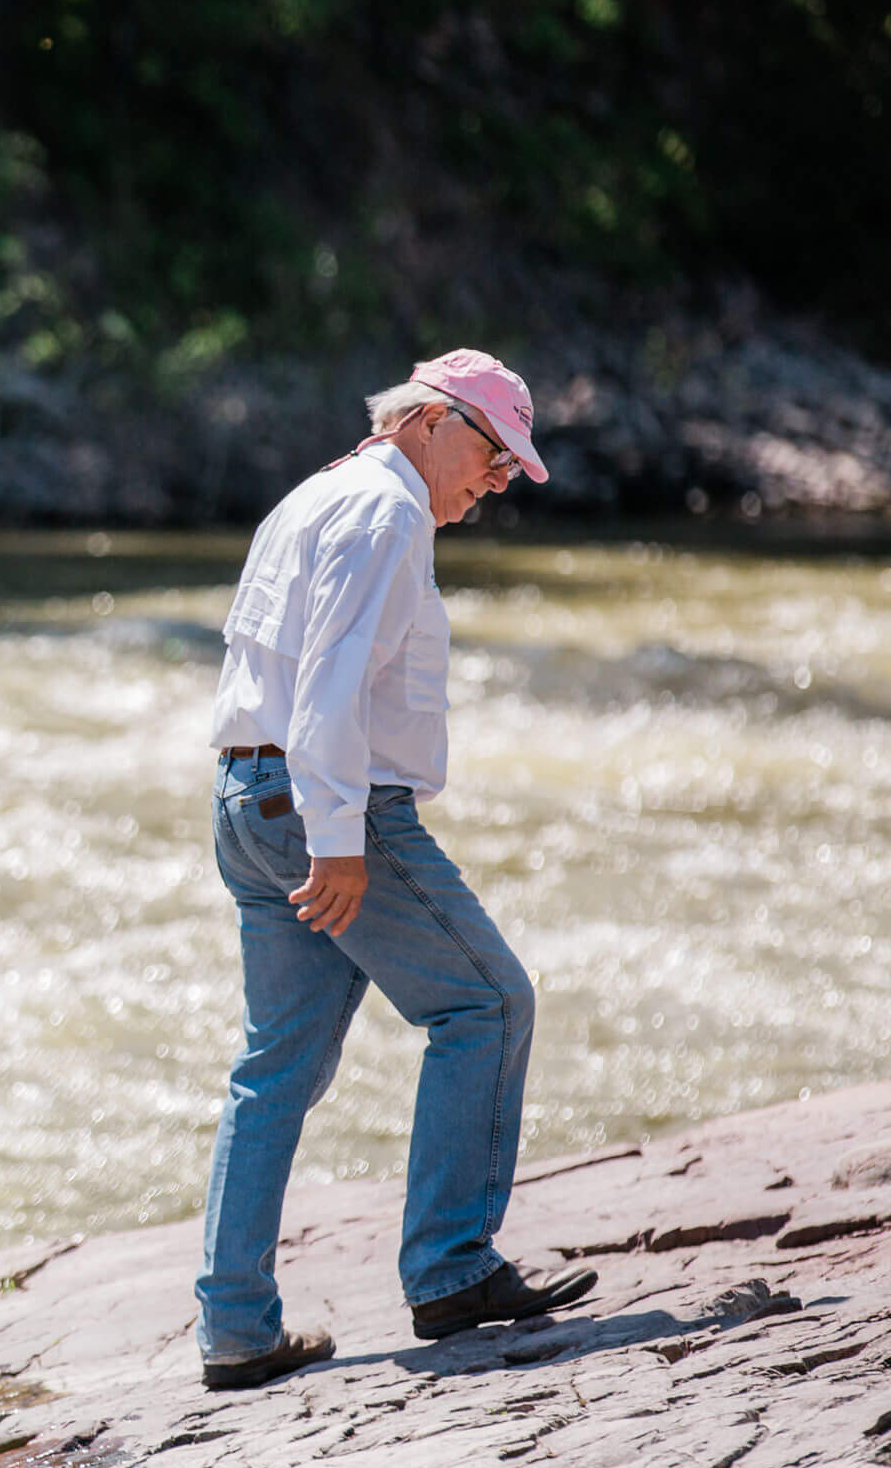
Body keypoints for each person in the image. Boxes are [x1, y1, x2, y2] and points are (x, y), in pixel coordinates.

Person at [195, 348, 598, 1392]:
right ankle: (452, 1270)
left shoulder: (317, 493)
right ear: (428, 420)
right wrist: (339, 841)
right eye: (493, 455)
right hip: (328, 807)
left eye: (511, 470)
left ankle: (235, 1330)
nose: (496, 481)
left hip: (247, 795)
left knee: (275, 1067)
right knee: (489, 1005)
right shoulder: (385, 514)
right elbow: (328, 687)